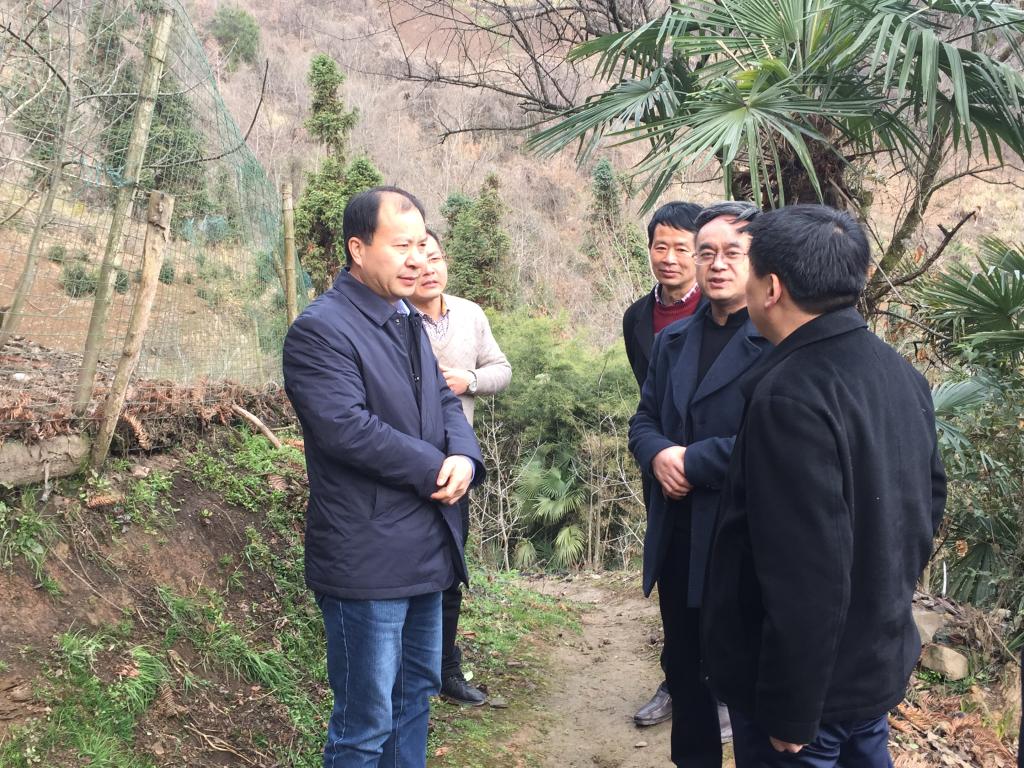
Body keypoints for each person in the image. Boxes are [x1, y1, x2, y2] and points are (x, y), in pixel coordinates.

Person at [701, 204, 947, 768]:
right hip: (872, 665)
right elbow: (928, 504)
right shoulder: (899, 372)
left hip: (808, 697)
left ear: (771, 288)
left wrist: (791, 707)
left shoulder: (790, 395)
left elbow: (803, 569)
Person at [282, 186, 485, 767]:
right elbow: (346, 429)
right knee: (365, 724)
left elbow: (444, 402)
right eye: (401, 247)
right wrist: (433, 466)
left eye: (422, 245)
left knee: (414, 699)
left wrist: (464, 457)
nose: (417, 260)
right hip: (367, 555)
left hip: (427, 545)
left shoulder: (406, 318)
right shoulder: (321, 330)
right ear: (358, 249)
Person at [629, 201, 769, 766]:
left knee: (744, 678)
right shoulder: (674, 340)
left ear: (759, 261)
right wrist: (658, 453)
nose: (717, 264)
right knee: (685, 672)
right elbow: (644, 419)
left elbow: (775, 442)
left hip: (743, 536)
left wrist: (692, 461)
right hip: (680, 533)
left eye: (732, 252)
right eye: (706, 252)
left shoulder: (776, 340)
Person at [410, 229, 512, 706]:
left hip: (457, 466)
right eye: (417, 260)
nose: (428, 269)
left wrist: (467, 380)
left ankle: (445, 669)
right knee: (407, 574)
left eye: (435, 258)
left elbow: (501, 369)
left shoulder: (470, 314)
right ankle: (412, 670)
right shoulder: (394, 318)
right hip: (404, 465)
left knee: (451, 569)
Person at [622, 201, 705, 727]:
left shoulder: (724, 311)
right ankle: (676, 679)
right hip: (661, 468)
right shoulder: (637, 317)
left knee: (718, 579)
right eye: (660, 246)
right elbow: (649, 399)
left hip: (716, 468)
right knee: (672, 578)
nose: (669, 258)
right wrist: (657, 454)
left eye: (682, 248)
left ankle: (720, 686)